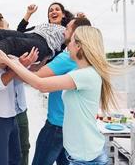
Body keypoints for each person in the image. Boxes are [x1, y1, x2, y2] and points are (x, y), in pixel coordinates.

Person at [0, 26, 119, 165]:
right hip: (80, 154)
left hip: (86, 157)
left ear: (79, 46)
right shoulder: (83, 73)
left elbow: (40, 84)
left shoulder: (85, 75)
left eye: (72, 41)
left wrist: (10, 62)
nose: (68, 44)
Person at [31, 17, 91, 165]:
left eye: (68, 28)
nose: (64, 31)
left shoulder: (67, 58)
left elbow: (36, 79)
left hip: (57, 126)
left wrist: (14, 63)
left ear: (76, 34)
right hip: (75, 126)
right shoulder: (88, 58)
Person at [0, 13, 31, 165]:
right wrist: (17, 66)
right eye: (7, 26)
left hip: (12, 117)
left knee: (15, 159)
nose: (10, 30)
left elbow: (25, 69)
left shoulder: (9, 53)